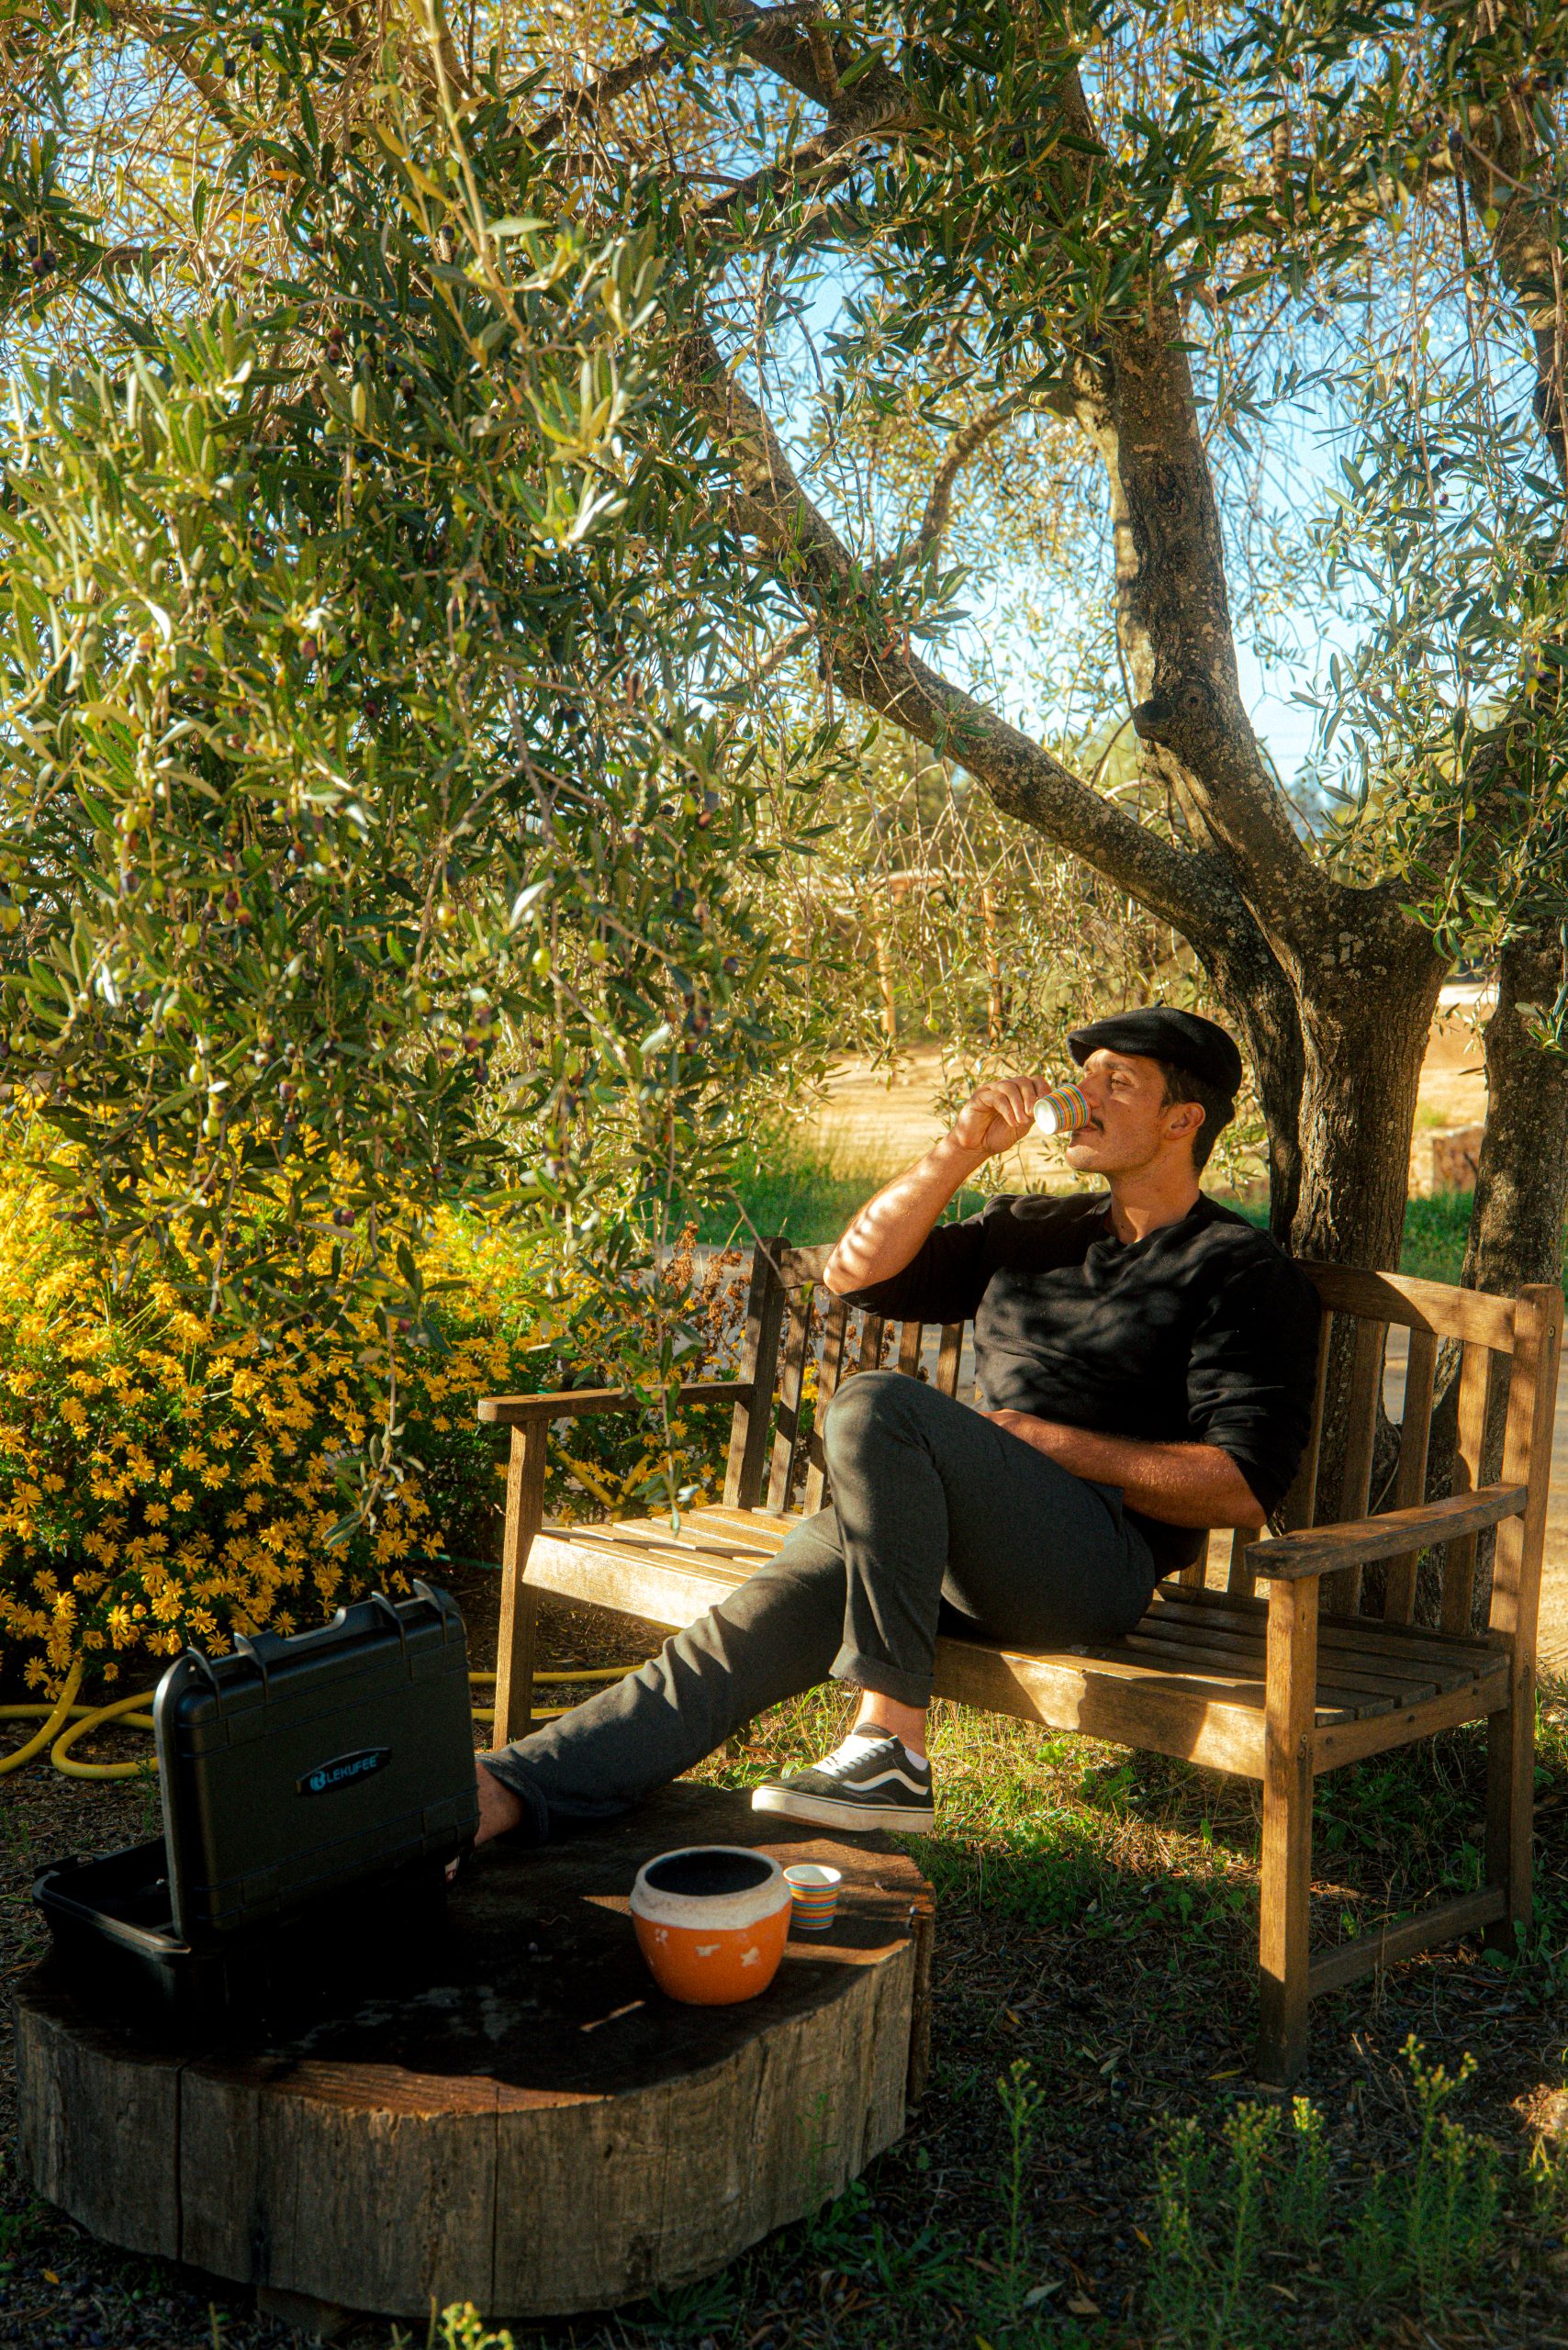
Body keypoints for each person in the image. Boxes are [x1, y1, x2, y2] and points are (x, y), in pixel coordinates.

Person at [469, 1005, 1320, 1850]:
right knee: (738, 1638)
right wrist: (961, 1149)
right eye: (1084, 1075)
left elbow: (1241, 1489)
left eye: (1117, 1082)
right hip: (942, 1546)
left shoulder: (1237, 1269)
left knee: (875, 1404)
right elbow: (855, 1275)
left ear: (1182, 1120)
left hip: (1090, 1569)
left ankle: (892, 1744)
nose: (1083, 1095)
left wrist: (1040, 1442)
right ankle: (506, 1791)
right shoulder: (1030, 1229)